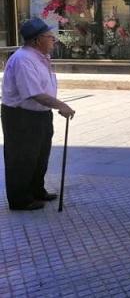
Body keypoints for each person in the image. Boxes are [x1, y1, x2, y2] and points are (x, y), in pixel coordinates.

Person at [2, 18, 76, 211]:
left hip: (40, 115)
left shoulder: (40, 57)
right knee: (22, 158)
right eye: (49, 36)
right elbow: (34, 93)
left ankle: (36, 191)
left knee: (40, 155)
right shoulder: (23, 60)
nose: (54, 39)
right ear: (36, 40)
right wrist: (61, 105)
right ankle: (20, 200)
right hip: (21, 117)